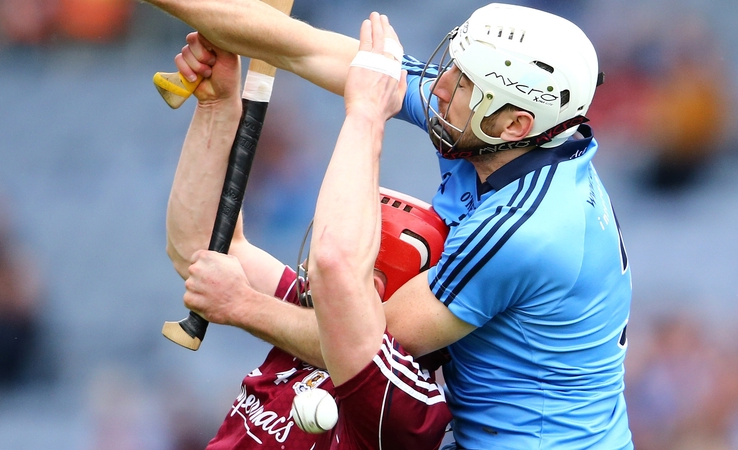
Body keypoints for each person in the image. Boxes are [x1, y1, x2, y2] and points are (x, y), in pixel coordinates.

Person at [149, 1, 634, 448]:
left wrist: (243, 305)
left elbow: (361, 343)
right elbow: (299, 46)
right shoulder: (494, 135)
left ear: (515, 125)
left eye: (464, 83)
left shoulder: (525, 229)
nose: (439, 86)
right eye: (453, 67)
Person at [164, 13, 451, 449]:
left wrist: (242, 304)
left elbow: (345, 328)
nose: (312, 263)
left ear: (374, 285)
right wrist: (217, 107)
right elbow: (202, 249)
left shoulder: (408, 407)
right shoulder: (303, 314)